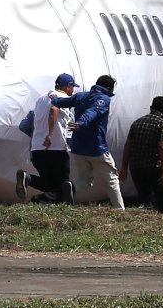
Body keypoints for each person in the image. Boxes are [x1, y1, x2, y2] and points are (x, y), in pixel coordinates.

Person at [52, 75, 123, 208]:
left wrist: (55, 100)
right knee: (112, 180)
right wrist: (80, 123)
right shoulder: (103, 98)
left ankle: (71, 188)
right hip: (96, 148)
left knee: (85, 181)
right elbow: (93, 112)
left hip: (78, 147)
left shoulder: (81, 96)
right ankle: (120, 211)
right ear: (109, 87)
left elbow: (62, 103)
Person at [16, 73, 76, 203]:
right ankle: (37, 201)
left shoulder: (40, 99)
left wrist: (37, 136)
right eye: (73, 87)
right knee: (63, 186)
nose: (73, 91)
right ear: (68, 86)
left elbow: (25, 125)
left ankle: (28, 178)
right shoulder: (64, 98)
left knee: (48, 184)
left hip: (37, 148)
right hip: (56, 147)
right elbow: (54, 109)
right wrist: (50, 135)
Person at [119, 95, 163, 212]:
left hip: (136, 167)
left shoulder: (136, 123)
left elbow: (128, 145)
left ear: (150, 107)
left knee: (143, 197)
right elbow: (162, 146)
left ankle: (142, 219)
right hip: (154, 167)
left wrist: (124, 167)